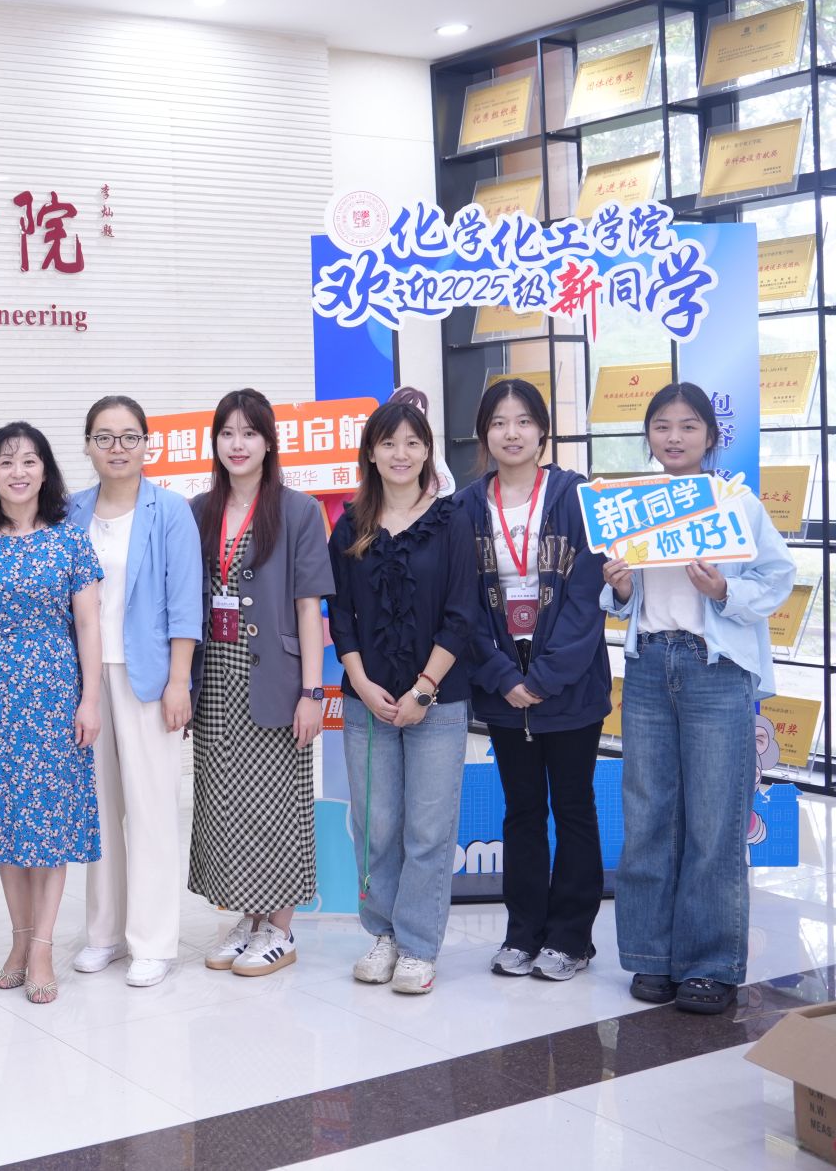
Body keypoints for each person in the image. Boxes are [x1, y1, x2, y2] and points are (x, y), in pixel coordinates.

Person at [605, 383, 795, 1015]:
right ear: (649, 436)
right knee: (648, 815)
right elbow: (624, 600)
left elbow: (778, 576)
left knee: (715, 820)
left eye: (688, 426)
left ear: (711, 436)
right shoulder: (633, 507)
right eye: (662, 425)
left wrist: (723, 593)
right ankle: (652, 955)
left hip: (715, 668)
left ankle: (710, 964)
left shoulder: (736, 502)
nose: (674, 437)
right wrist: (621, 588)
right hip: (649, 664)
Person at [0, 423, 102, 1004]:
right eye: (6, 462)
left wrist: (90, 699)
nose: (18, 472)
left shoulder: (70, 540)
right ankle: (19, 940)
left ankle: (43, 948)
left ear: (45, 472)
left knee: (50, 824)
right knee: (7, 822)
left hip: (54, 693)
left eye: (29, 461)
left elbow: (89, 625)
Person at [457, 379, 610, 983]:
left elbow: (587, 598)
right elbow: (462, 603)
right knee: (521, 811)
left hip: (569, 687)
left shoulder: (576, 496)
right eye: (499, 422)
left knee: (573, 807)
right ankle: (522, 933)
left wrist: (543, 678)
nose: (511, 433)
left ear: (543, 431)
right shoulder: (466, 506)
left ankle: (571, 939)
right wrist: (501, 676)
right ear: (484, 434)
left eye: (523, 421)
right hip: (502, 688)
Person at [328, 400, 476, 996]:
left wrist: (423, 689)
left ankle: (417, 946)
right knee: (376, 825)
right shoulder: (349, 526)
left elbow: (462, 614)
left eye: (413, 443)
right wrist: (361, 683)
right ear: (371, 452)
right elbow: (339, 614)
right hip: (366, 702)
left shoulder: (452, 521)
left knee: (428, 829)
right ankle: (382, 934)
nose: (401, 454)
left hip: (437, 699)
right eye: (389, 443)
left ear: (427, 452)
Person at [189, 389, 333, 979]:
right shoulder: (198, 510)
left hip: (276, 679)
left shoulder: (298, 511)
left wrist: (312, 692)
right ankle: (249, 919)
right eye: (227, 433)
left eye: (250, 433)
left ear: (269, 442)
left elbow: (308, 608)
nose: (238, 444)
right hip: (215, 681)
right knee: (228, 805)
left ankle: (281, 928)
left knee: (278, 805)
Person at [66, 397, 202, 989]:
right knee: (97, 810)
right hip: (84, 680)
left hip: (148, 678)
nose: (116, 447)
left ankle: (153, 941)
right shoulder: (69, 511)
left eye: (128, 436)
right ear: (88, 445)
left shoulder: (169, 511)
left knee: (150, 810)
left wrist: (179, 681)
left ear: (148, 443)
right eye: (104, 436)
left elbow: (185, 602)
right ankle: (104, 933)